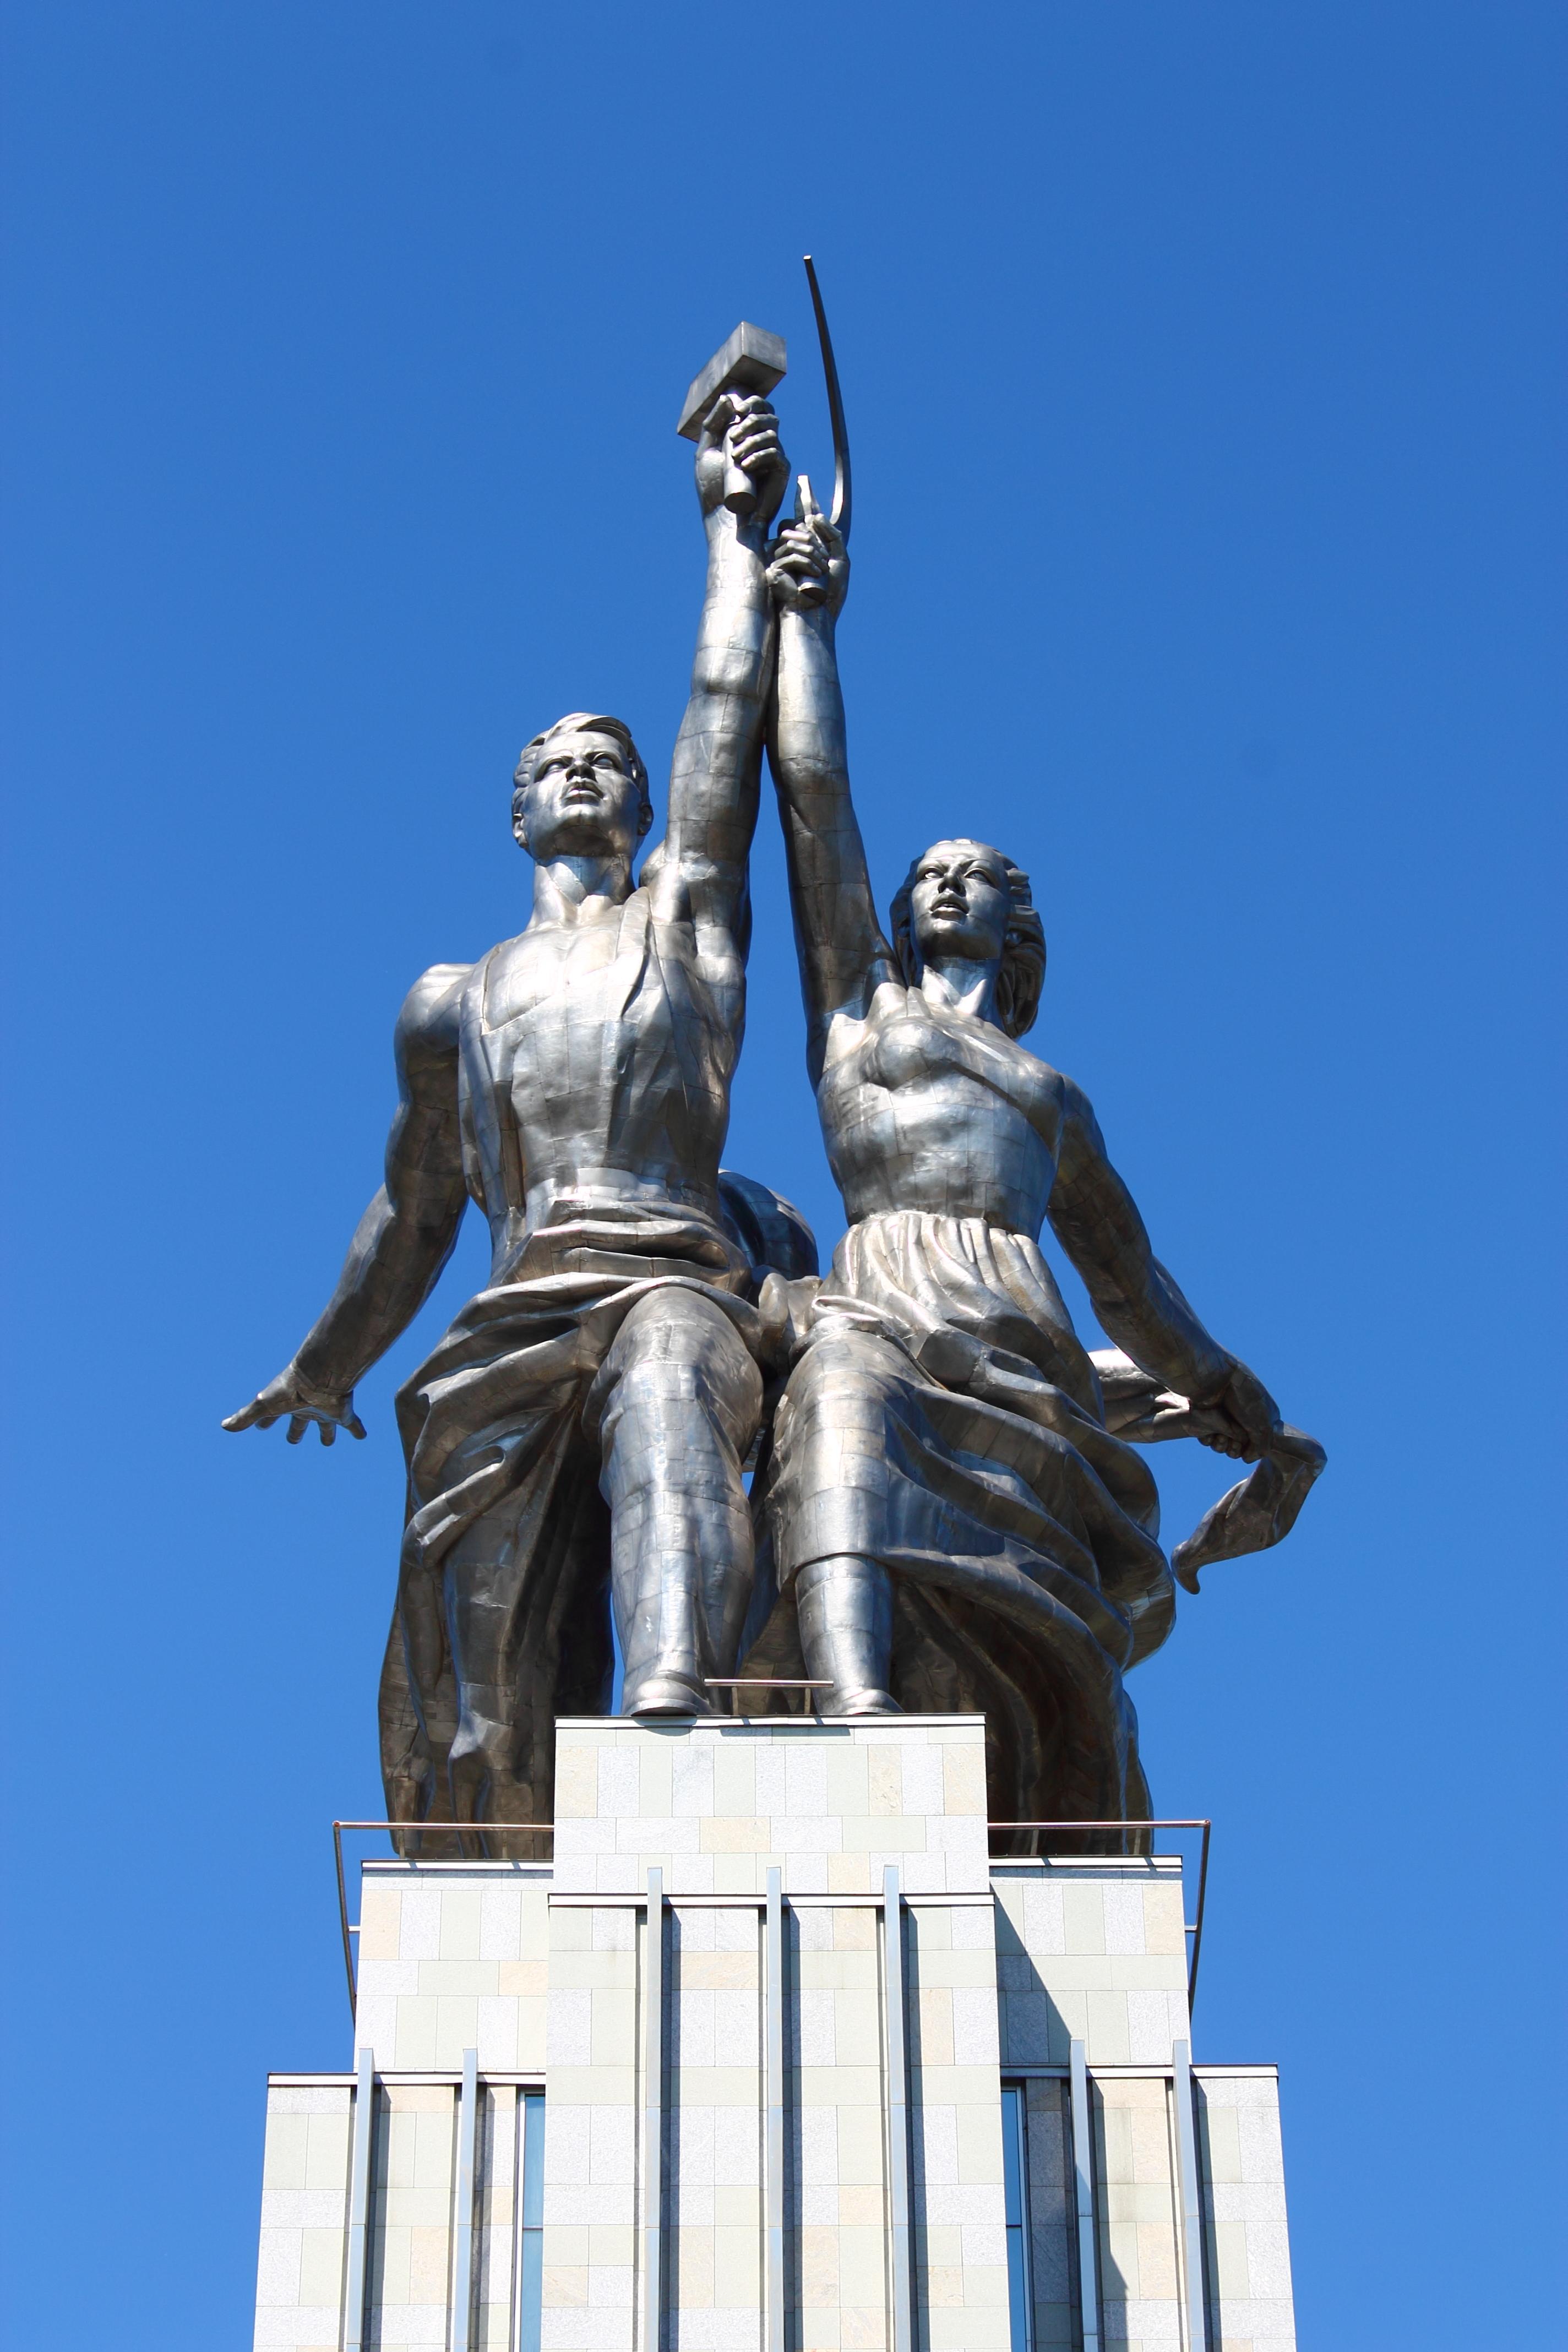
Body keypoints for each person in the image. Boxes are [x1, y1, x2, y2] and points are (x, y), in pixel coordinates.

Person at [225, 394, 808, 1837]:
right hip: (505, 1333)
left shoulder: (690, 931)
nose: (586, 770)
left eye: (611, 761)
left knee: (672, 1382)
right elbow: (414, 1206)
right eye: (556, 761)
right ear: (517, 812)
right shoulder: (450, 1002)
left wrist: (729, 530)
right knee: (489, 1708)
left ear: (637, 807)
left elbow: (725, 721)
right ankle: (506, 1887)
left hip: (673, 1280)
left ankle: (684, 1714)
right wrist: (327, 1362)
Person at [746, 486, 1318, 1834]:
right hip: (882, 1302)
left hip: (1023, 1344)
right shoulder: (854, 1019)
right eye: (931, 871)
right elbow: (814, 803)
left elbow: (1134, 1285)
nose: (944, 880)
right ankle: (853, 1713)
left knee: (1053, 1628)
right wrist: (808, 624)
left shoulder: (1052, 1100)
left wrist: (1227, 1392)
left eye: (978, 873)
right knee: (837, 1389)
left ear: (1019, 932)